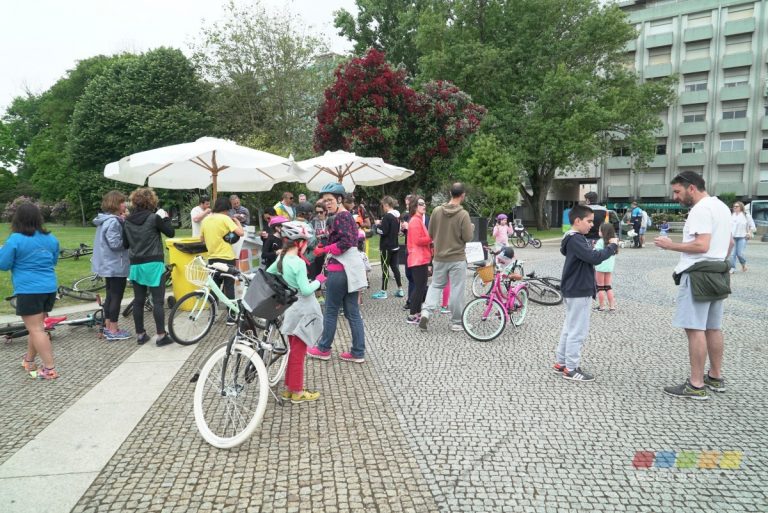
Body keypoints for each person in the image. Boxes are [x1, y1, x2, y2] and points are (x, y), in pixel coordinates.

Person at [655, 171, 733, 400]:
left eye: (677, 191)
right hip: (718, 272)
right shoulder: (721, 207)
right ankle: (715, 377)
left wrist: (670, 245)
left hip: (698, 274)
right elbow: (728, 243)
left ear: (691, 188)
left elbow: (701, 245)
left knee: (695, 328)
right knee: (713, 328)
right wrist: (717, 259)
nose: (675, 197)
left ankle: (696, 385)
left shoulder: (700, 209)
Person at [553, 204, 619, 382]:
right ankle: (571, 368)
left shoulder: (572, 238)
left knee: (569, 328)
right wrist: (612, 247)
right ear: (577, 221)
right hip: (579, 289)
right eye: (589, 221)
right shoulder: (576, 239)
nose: (592, 225)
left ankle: (561, 362)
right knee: (577, 331)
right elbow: (593, 258)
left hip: (573, 288)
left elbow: (588, 255)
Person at [307, 182, 367, 363]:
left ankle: (323, 349)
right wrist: (325, 241)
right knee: (352, 312)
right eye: (324, 201)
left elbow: (345, 243)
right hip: (350, 271)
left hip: (339, 270)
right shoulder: (345, 216)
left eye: (330, 200)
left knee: (331, 311)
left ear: (339, 199)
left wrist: (324, 250)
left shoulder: (341, 216)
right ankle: (358, 352)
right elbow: (344, 238)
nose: (327, 204)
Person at [267, 221, 325, 404]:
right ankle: (298, 392)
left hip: (290, 310)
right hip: (303, 311)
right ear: (300, 243)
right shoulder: (298, 263)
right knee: (298, 354)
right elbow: (306, 290)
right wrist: (319, 280)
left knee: (294, 352)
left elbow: (269, 273)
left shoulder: (282, 258)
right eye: (306, 242)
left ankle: (289, 390)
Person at [0, 203, 60, 380]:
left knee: (36, 329)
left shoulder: (15, 239)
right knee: (36, 327)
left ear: (17, 219)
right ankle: (29, 360)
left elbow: (3, 265)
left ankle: (49, 369)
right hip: (49, 288)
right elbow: (53, 261)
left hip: (29, 289)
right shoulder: (51, 238)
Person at [122, 188, 176, 346]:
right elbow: (171, 233)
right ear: (151, 201)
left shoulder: (127, 221)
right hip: (154, 263)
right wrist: (165, 218)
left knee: (138, 300)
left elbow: (125, 244)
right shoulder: (154, 218)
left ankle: (140, 335)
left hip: (136, 264)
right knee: (158, 301)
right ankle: (161, 336)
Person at [418, 183, 474, 332]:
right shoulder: (463, 214)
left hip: (439, 257)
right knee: (456, 290)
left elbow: (430, 234)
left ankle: (426, 312)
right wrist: (471, 228)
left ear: (450, 193)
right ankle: (456, 322)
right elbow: (468, 237)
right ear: (463, 195)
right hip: (457, 258)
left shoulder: (437, 211)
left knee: (436, 286)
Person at [92, 190, 131, 341]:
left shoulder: (105, 220)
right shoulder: (114, 222)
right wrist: (128, 239)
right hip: (116, 265)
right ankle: (113, 330)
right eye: (122, 202)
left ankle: (107, 326)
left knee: (110, 296)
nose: (125, 205)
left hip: (107, 264)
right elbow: (116, 244)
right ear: (115, 204)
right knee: (116, 297)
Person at [201, 196, 244, 325]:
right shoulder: (225, 218)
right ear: (226, 208)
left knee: (214, 288)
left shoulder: (206, 219)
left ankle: (212, 316)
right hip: (227, 258)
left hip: (212, 258)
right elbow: (240, 233)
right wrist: (237, 221)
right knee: (229, 287)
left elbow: (201, 239)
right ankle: (231, 317)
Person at [405, 196, 432, 324]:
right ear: (415, 206)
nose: (424, 206)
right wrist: (432, 238)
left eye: (424, 203)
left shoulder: (417, 219)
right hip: (418, 258)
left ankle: (416, 313)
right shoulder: (415, 221)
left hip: (420, 258)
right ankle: (412, 315)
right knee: (419, 287)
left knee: (420, 287)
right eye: (421, 204)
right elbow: (418, 240)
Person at [373, 195, 404, 299]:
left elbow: (383, 231)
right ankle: (400, 289)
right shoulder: (397, 216)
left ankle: (383, 292)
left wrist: (377, 225)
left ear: (386, 205)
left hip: (386, 247)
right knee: (395, 268)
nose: (382, 208)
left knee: (385, 269)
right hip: (395, 245)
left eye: (383, 205)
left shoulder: (387, 216)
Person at [593, 223, 618, 312]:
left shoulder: (600, 241)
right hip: (609, 267)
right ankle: (612, 306)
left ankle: (601, 307)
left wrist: (593, 246)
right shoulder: (614, 241)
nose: (598, 232)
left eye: (600, 230)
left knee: (600, 287)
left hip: (600, 267)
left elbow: (595, 252)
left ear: (604, 232)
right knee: (608, 287)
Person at [729, 201, 756, 273]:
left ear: (741, 207)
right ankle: (732, 268)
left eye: (736, 206)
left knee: (740, 254)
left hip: (742, 237)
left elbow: (752, 226)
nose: (735, 207)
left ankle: (743, 265)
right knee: (732, 254)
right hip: (733, 237)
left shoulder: (746, 215)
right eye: (734, 206)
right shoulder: (732, 215)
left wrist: (749, 233)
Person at [308, 202, 328, 280]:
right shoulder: (313, 222)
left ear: (325, 212)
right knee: (318, 269)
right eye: (317, 212)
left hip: (328, 247)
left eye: (321, 212)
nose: (319, 214)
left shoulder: (329, 220)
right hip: (317, 248)